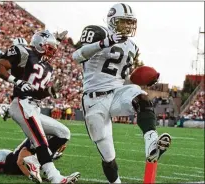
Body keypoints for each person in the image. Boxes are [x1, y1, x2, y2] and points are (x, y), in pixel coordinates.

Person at [72, 3, 171, 183]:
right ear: (111, 21)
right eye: (122, 22)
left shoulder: (132, 46)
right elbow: (77, 56)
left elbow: (122, 78)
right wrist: (104, 43)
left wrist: (144, 80)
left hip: (117, 92)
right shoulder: (97, 32)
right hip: (94, 100)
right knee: (108, 157)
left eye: (129, 23)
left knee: (141, 97)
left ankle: (151, 143)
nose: (126, 26)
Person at [0, 30, 80, 184]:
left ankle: (33, 161)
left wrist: (49, 92)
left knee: (63, 133)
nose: (52, 51)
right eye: (49, 47)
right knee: (40, 141)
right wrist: (17, 81)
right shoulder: (24, 52)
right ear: (39, 44)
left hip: (34, 106)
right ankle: (55, 177)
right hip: (21, 103)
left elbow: (37, 93)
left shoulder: (47, 67)